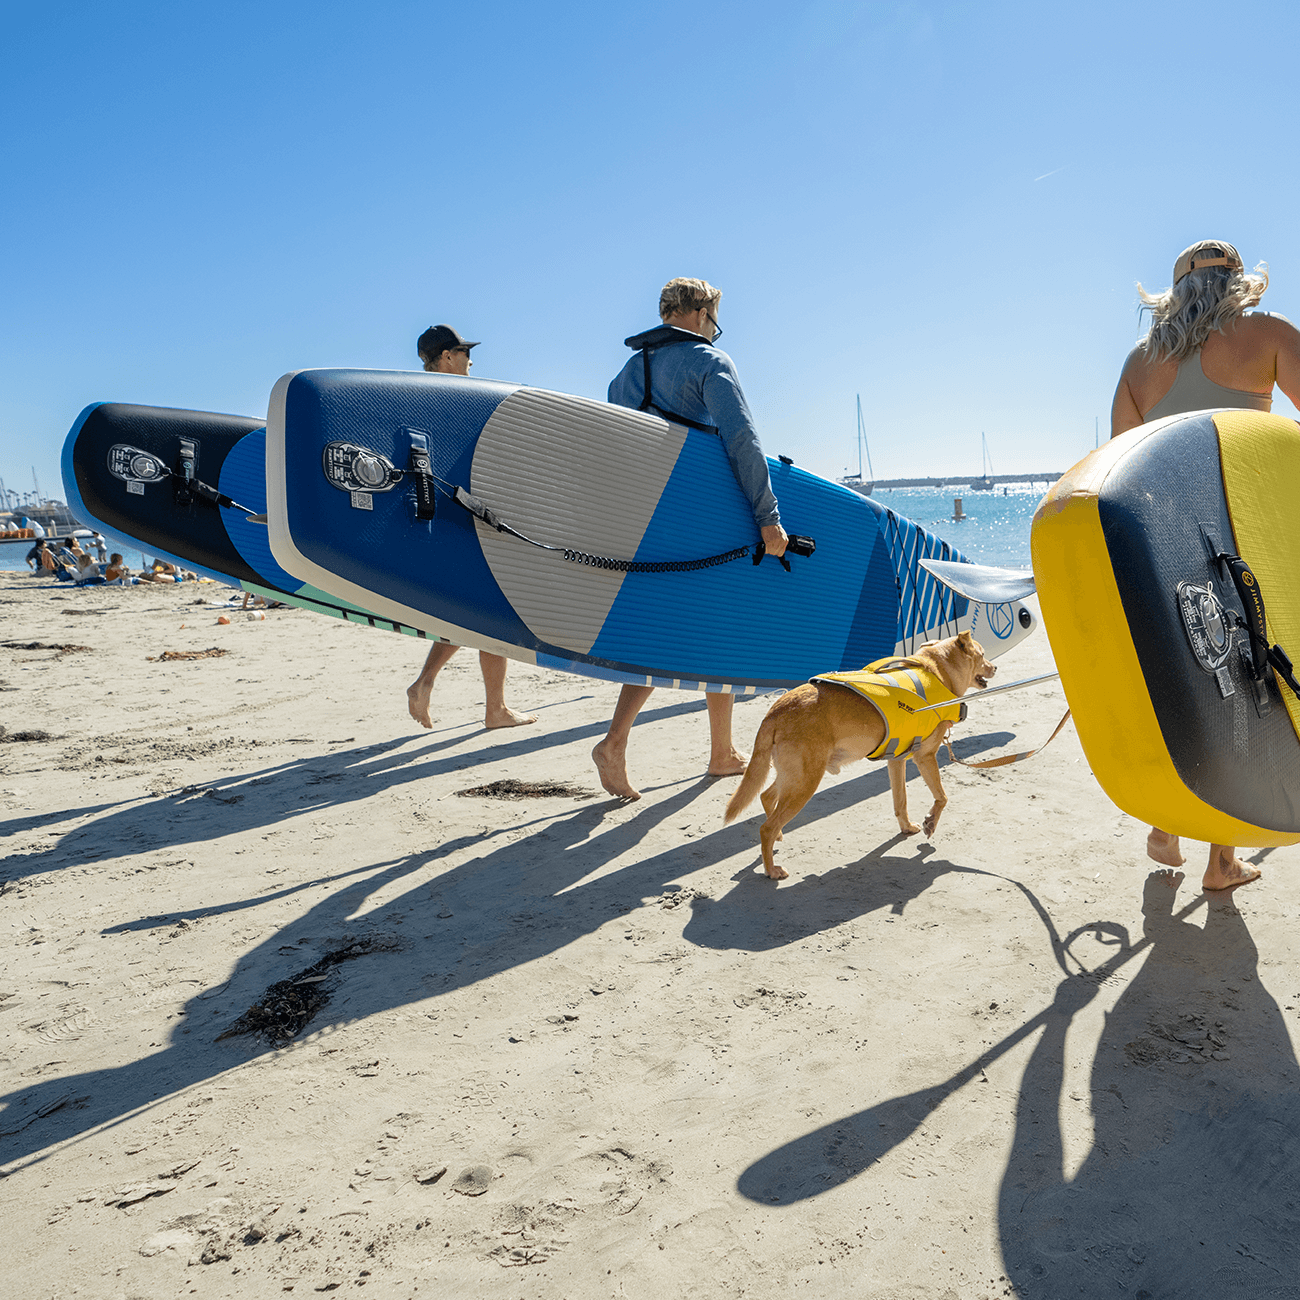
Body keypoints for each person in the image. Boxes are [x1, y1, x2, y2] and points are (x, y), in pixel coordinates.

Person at [1110, 239, 1300, 892]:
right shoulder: (1271, 333)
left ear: (1173, 293)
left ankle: (1169, 821)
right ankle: (1220, 859)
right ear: (1240, 283)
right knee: (1245, 690)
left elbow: (1119, 473)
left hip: (1164, 554)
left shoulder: (1138, 366)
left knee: (1180, 682)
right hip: (1246, 542)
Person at [592, 277, 790, 799]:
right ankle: (614, 743)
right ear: (700, 313)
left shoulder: (627, 373)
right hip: (704, 518)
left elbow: (613, 449)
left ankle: (721, 752)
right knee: (699, 628)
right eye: (714, 316)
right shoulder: (710, 363)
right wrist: (767, 516)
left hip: (643, 520)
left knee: (694, 630)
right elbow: (742, 439)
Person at [406, 325, 537, 731]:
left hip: (444, 511)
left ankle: (487, 704)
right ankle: (480, 703)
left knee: (478, 607)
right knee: (490, 606)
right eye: (463, 351)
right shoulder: (459, 398)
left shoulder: (411, 396)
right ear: (446, 356)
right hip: (470, 511)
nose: (470, 359)